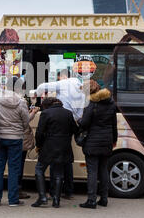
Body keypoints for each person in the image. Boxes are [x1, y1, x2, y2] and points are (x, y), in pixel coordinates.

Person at [37, 69, 83, 200]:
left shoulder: (63, 83)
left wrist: (35, 93)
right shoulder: (81, 89)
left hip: (57, 124)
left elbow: (41, 87)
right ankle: (68, 190)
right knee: (66, 160)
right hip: (69, 124)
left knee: (55, 161)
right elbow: (80, 114)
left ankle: (53, 192)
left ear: (63, 77)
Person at [0, 77, 30, 207]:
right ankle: (13, 200)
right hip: (15, 139)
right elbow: (26, 121)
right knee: (14, 169)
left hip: (0, 138)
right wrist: (20, 129)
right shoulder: (21, 102)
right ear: (18, 87)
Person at [78, 80, 117, 209]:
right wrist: (114, 140)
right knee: (104, 170)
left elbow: (84, 123)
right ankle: (104, 199)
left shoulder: (91, 104)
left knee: (92, 172)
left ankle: (91, 200)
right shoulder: (111, 103)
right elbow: (114, 124)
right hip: (107, 141)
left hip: (92, 142)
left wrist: (79, 120)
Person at [32, 97, 78, 208]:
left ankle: (42, 197)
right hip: (64, 147)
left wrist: (39, 145)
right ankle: (56, 200)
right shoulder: (68, 113)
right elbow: (75, 130)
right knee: (59, 173)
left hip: (48, 147)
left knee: (39, 169)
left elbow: (39, 132)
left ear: (47, 105)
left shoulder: (46, 113)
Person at [18, 103, 39, 199]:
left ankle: (14, 189)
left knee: (14, 165)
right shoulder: (17, 108)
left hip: (11, 140)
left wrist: (30, 112)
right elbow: (25, 121)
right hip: (20, 141)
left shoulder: (7, 108)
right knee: (18, 166)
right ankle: (17, 190)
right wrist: (34, 112)